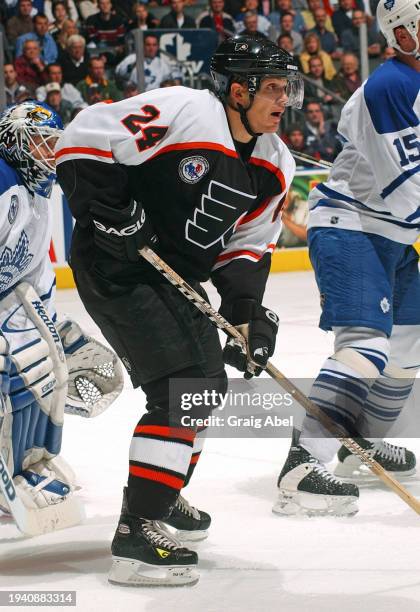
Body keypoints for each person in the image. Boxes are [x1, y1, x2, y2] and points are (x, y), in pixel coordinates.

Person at [55, 34, 303, 587]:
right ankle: (138, 531)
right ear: (238, 90)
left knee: (204, 386)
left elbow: (246, 248)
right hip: (115, 265)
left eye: (289, 89)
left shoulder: (274, 163)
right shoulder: (187, 111)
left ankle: (160, 494)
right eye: (274, 88)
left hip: (175, 276)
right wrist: (112, 211)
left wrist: (246, 313)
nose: (285, 100)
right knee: (183, 384)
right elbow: (82, 140)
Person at [275, 0, 420, 517]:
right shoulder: (392, 87)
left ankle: (358, 443)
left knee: (406, 350)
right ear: (401, 33)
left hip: (395, 235)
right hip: (350, 226)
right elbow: (409, 190)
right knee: (364, 348)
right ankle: (302, 463)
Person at [0, 100, 123, 536]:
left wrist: (57, 329)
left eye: (52, 144)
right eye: (39, 143)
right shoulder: (2, 182)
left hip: (10, 301)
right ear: (14, 142)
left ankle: (31, 460)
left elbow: (35, 270)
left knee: (46, 367)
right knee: (10, 374)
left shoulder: (39, 192)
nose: (49, 153)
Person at [115, 34, 181, 91]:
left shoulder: (162, 64)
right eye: (148, 45)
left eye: (154, 45)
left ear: (157, 47)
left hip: (155, 98)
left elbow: (174, 80)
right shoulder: (132, 58)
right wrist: (132, 65)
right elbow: (119, 73)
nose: (151, 48)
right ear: (143, 46)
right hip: (135, 97)